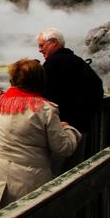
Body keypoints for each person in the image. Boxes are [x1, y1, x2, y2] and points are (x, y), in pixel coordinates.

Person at [0, 58, 81, 218]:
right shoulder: (46, 109)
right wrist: (70, 130)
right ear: (40, 81)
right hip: (32, 184)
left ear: (13, 79)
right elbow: (63, 148)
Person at [36, 28, 96, 170]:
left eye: (41, 45)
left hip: (58, 131)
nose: (39, 50)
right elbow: (97, 89)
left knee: (54, 176)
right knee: (74, 173)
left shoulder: (51, 64)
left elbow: (41, 96)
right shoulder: (79, 62)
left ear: (54, 43)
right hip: (80, 129)